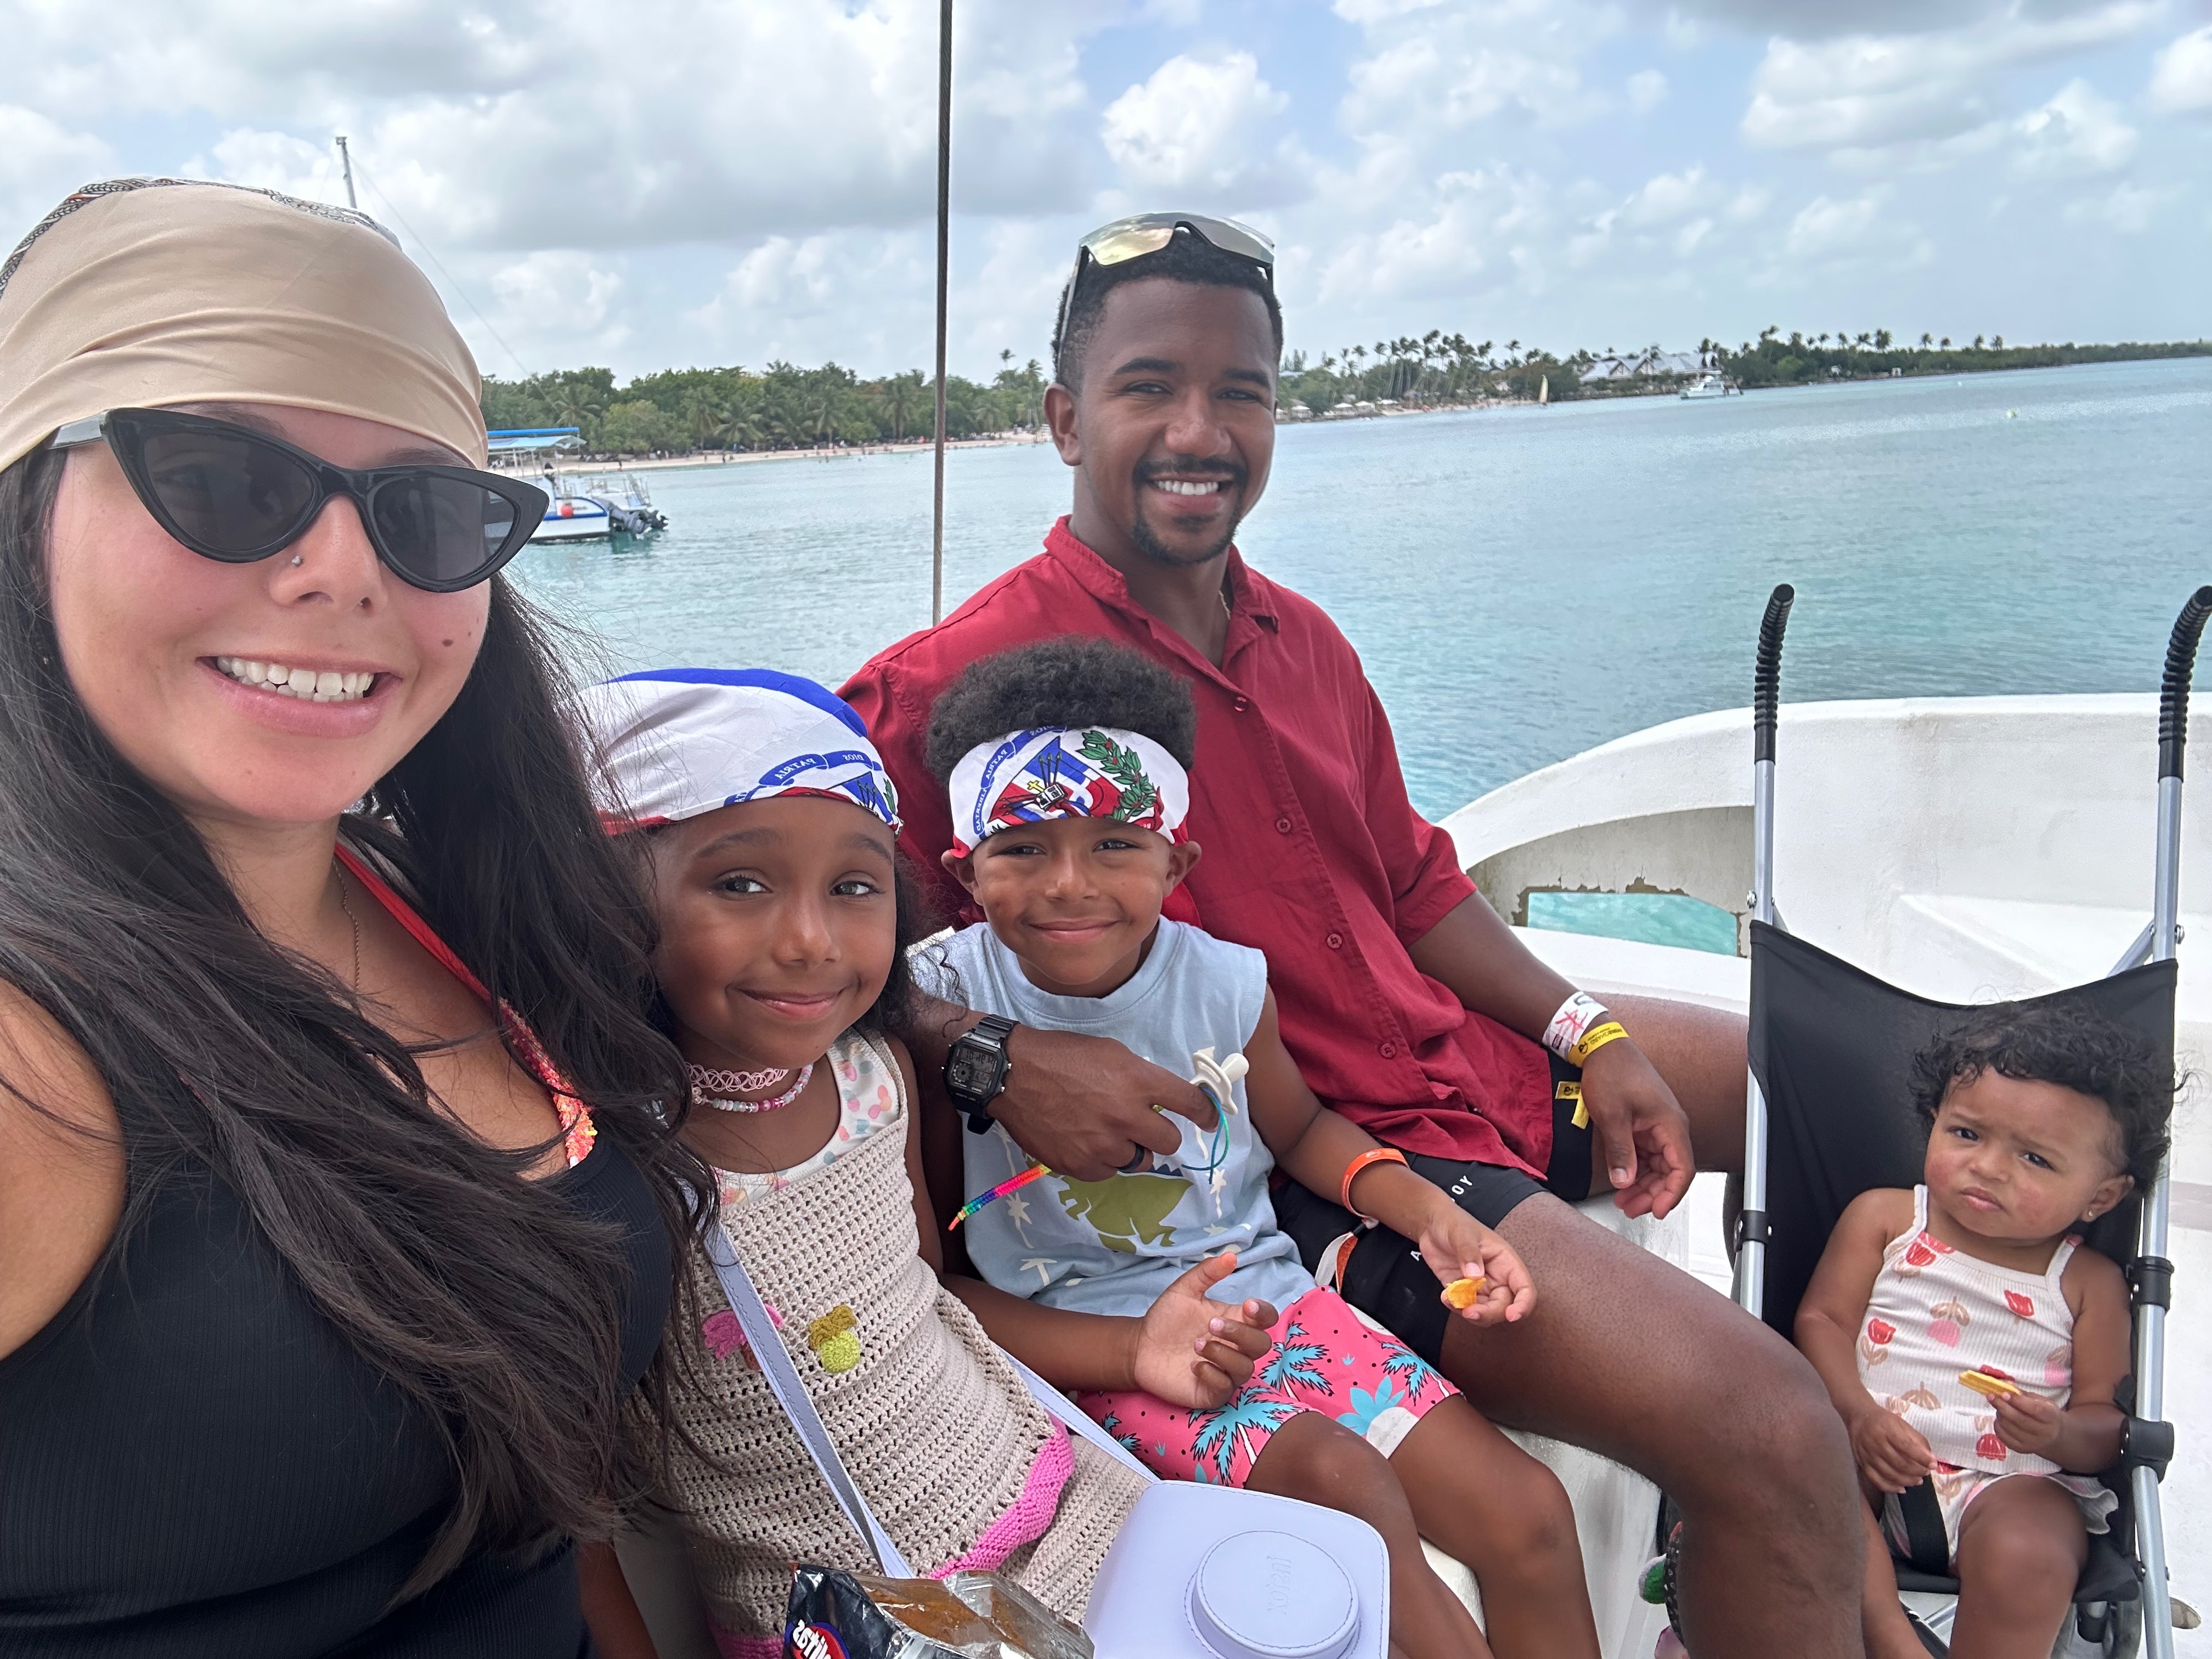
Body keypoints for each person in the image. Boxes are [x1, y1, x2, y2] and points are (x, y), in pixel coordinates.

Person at [841, 211, 1864, 1655]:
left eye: (1240, 392)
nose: (1199, 431)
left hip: (1466, 1064)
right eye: (1149, 388)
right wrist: (992, 1056)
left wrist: (1588, 1033)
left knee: (1836, 1082)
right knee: (1764, 1423)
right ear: (1065, 420)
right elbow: (809, 959)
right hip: (1314, 1159)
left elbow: (1420, 886)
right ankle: (1778, 1507)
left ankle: (1828, 1534)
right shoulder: (947, 687)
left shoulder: (1305, 642)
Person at [0, 179, 697, 1656]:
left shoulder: (448, 901)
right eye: (220, 477)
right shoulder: (28, 1063)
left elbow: (539, 1510)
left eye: (423, 510)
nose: (343, 572)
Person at [915, 637, 1600, 1659]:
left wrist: (1432, 1215)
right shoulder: (943, 1008)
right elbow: (941, 1275)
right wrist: (1128, 1349)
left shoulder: (1228, 983)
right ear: (963, 870)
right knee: (1338, 1480)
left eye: (1116, 843)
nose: (1069, 883)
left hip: (1269, 1304)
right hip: (1086, 1348)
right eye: (1021, 848)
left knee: (1530, 1511)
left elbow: (1304, 1130)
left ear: (1177, 861)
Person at [578, 668, 1166, 1656]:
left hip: (1050, 1495)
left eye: (854, 886)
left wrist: (1136, 1348)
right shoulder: (604, 1165)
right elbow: (572, 1495)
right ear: (609, 902)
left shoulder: (877, 1076)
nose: (812, 941)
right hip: (845, 1625)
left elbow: (926, 1293)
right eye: (740, 883)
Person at [1794, 1003, 2166, 1659]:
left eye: (2035, 1158)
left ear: (2101, 1198)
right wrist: (1857, 1416)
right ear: (1934, 1118)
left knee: (2033, 1547)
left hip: (2013, 1484)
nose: (1989, 1167)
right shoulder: (1886, 1219)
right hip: (1869, 1452)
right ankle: (1893, 1640)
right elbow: (1821, 1322)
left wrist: (2058, 1434)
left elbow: (2106, 1426)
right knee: (1806, 1479)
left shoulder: (2089, 1282)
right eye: (1966, 1134)